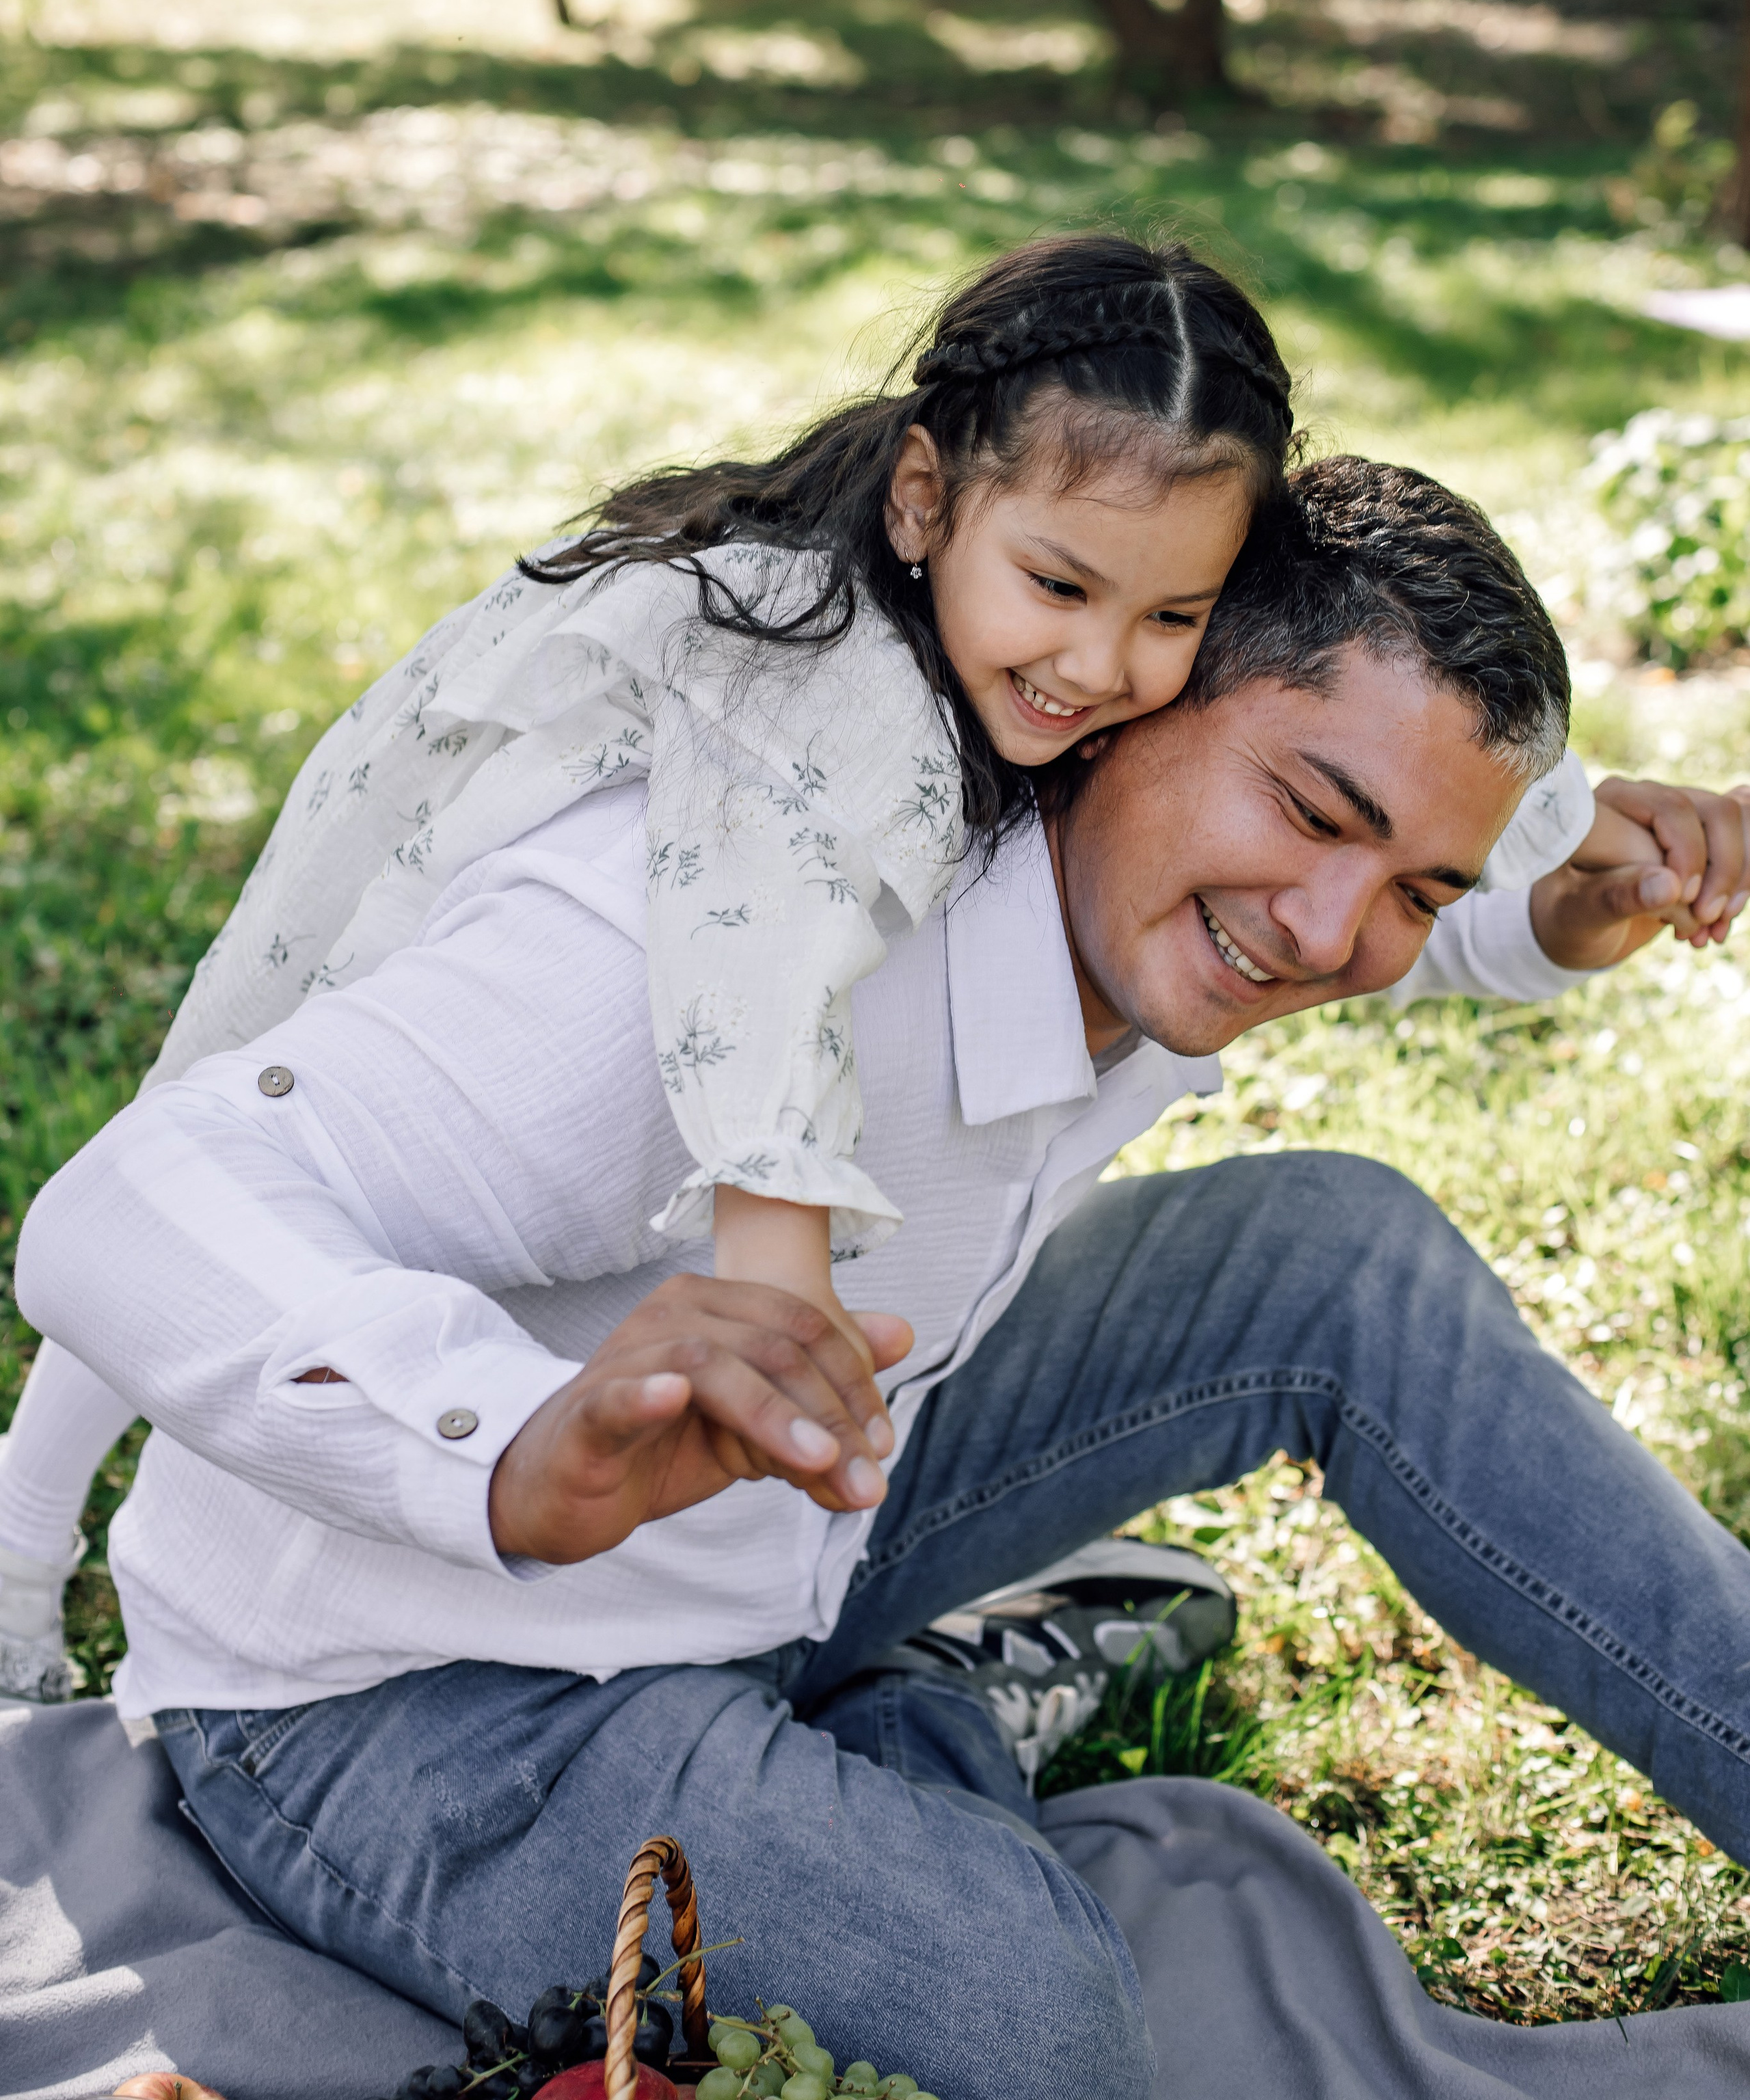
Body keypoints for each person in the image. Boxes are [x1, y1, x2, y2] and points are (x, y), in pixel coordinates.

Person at [18, 458, 1750, 2100]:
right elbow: (134, 1202)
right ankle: (907, 1727)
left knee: (1338, 1252)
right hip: (403, 1697)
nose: (1321, 935)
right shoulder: (690, 940)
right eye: (1310, 814)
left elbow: (1392, 875)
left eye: (1411, 886)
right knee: (1031, 2019)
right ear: (1131, 700)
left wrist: (1531, 918)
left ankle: (862, 1718)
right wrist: (505, 1440)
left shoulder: (1176, 889)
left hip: (795, 1517)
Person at [0, 230, 1306, 1702]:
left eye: (1170, 618)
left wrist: (1537, 867)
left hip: (531, 788)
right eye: (1058, 586)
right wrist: (777, 1265)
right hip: (450, 824)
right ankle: (18, 1538)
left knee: (215, 1117)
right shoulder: (836, 690)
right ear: (925, 498)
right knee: (223, 1109)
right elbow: (754, 976)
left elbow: (1343, 759)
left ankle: (18, 1532)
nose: (1102, 664)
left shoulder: (958, 632)